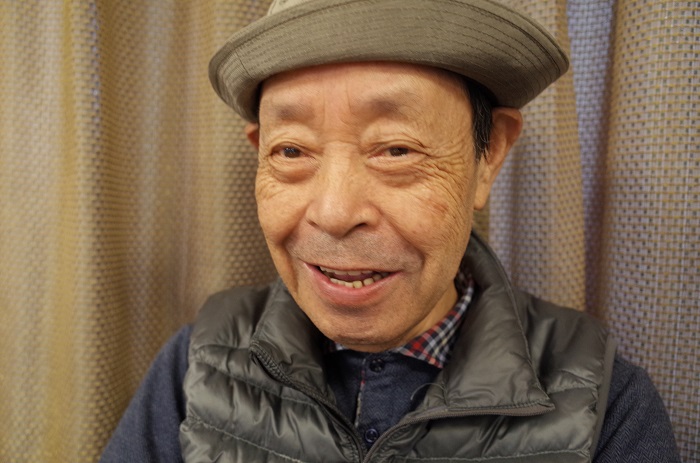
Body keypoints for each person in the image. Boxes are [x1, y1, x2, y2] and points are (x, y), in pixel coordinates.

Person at [101, 0, 681, 461]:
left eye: (396, 150)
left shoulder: (602, 402)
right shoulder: (197, 366)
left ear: (489, 156)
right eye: (292, 151)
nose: (334, 212)